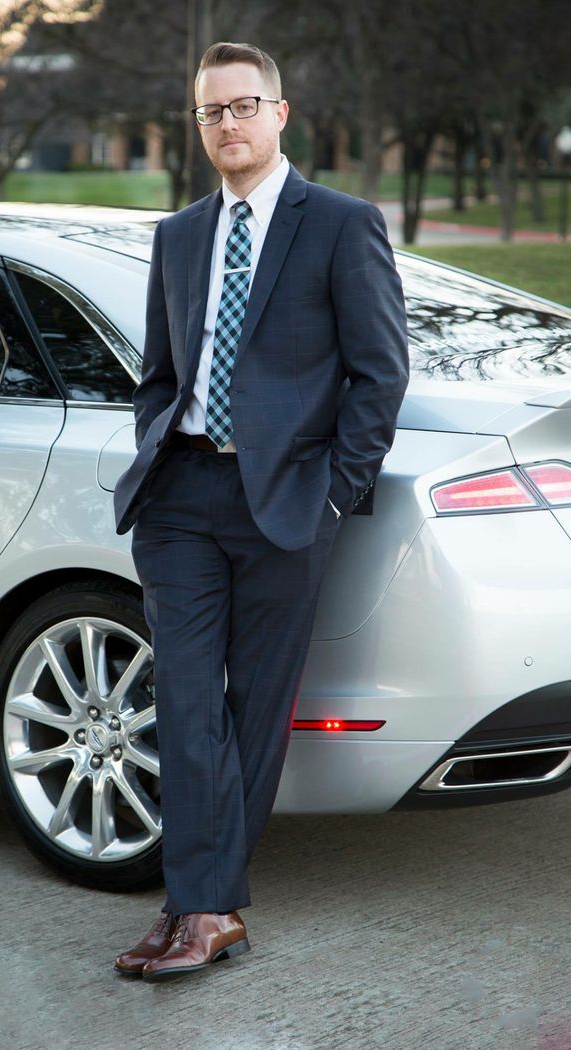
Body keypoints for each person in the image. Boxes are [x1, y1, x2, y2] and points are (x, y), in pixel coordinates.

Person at [112, 41, 409, 982]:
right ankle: (204, 907)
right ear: (198, 127)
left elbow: (379, 372)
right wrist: (156, 448)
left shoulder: (340, 223)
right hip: (183, 495)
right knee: (187, 698)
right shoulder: (179, 236)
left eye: (244, 106)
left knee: (256, 711)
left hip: (286, 501)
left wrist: (334, 491)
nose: (228, 125)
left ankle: (198, 905)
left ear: (281, 115)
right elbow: (160, 373)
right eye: (211, 113)